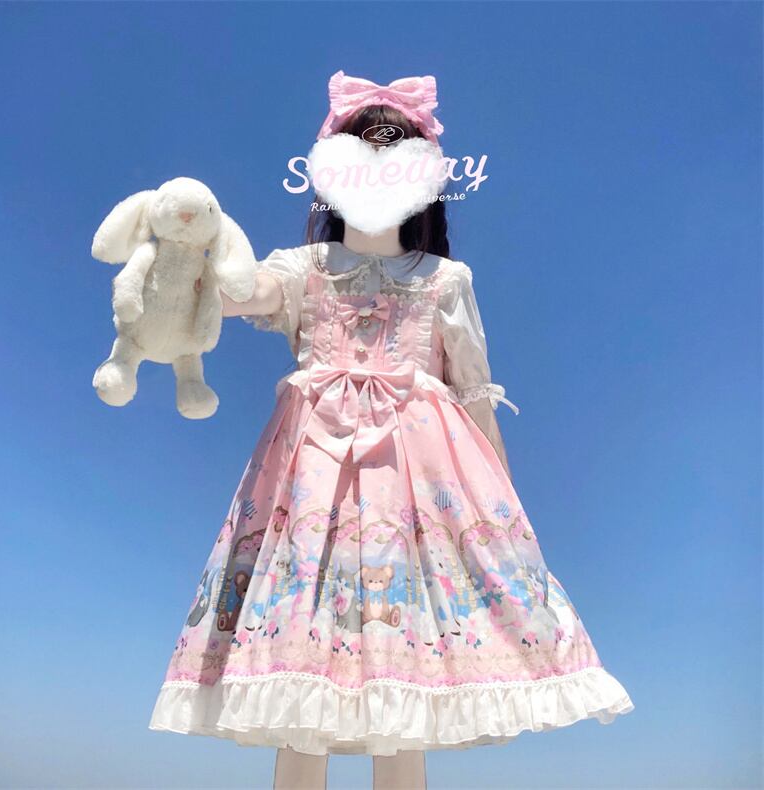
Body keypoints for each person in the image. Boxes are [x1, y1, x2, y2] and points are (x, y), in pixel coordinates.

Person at [148, 71, 634, 790]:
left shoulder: (445, 280)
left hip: (418, 498)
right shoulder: (305, 268)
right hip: (308, 490)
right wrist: (194, 248)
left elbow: (474, 395)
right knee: (300, 667)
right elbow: (245, 291)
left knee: (407, 677)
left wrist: (506, 516)